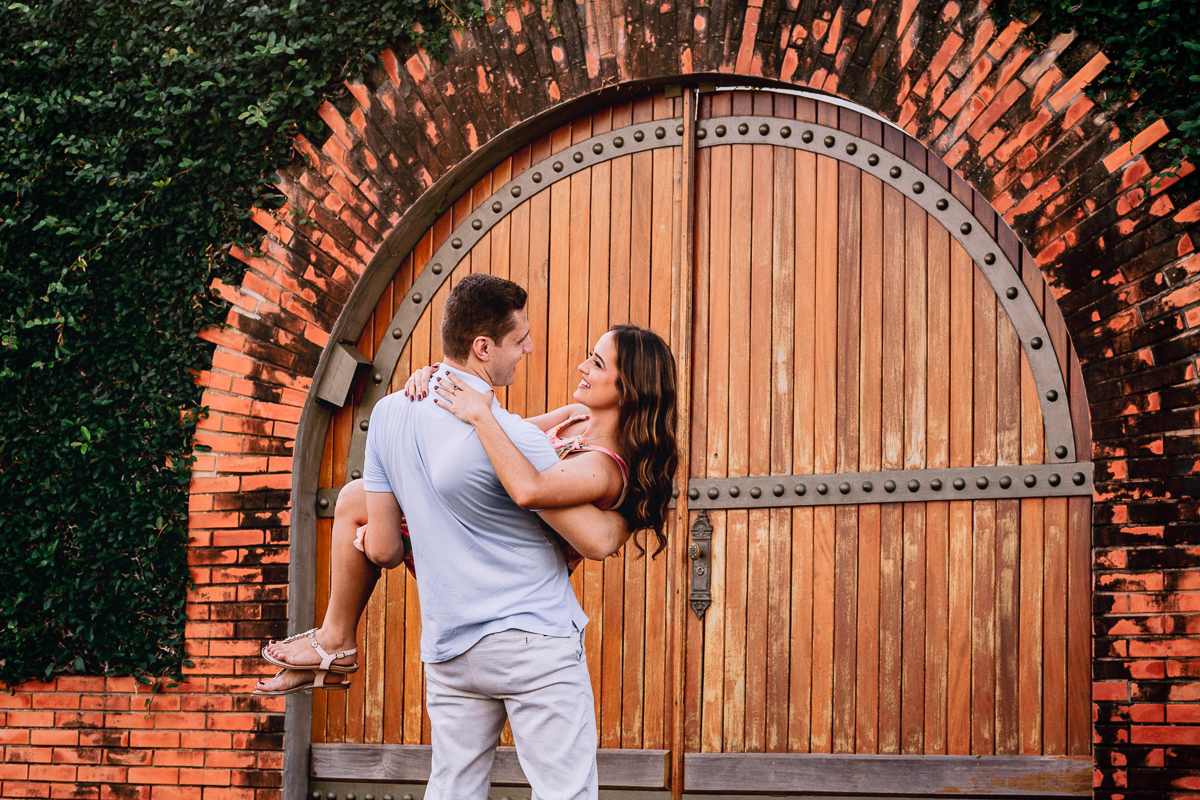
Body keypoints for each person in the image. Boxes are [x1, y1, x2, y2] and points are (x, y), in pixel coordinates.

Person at [255, 274, 678, 800]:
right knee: (563, 792)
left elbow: (550, 503)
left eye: (596, 362)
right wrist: (447, 386)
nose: (574, 364)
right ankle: (334, 638)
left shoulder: (597, 463)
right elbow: (517, 448)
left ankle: (335, 641)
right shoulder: (561, 425)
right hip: (527, 635)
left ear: (628, 388)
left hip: (454, 639)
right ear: (482, 347)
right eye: (521, 338)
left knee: (454, 787)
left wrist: (474, 409)